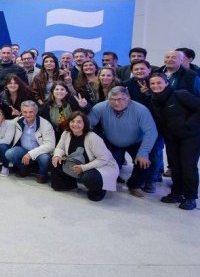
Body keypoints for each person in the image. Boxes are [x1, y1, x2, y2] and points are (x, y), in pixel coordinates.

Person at [86, 87, 158, 198]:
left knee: (145, 162)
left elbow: (151, 132)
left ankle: (134, 185)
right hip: (112, 141)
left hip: (136, 142)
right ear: (108, 99)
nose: (116, 102)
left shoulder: (141, 110)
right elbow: (88, 123)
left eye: (120, 99)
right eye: (112, 99)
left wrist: (143, 152)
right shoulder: (100, 107)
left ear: (128, 98)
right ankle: (109, 180)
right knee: (107, 162)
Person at [148, 73, 200, 210]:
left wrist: (189, 124)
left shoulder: (180, 94)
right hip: (171, 138)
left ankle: (190, 197)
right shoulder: (154, 100)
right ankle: (177, 193)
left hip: (190, 137)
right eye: (152, 84)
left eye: (159, 83)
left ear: (167, 83)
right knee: (175, 167)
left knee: (188, 166)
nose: (155, 86)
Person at [51, 112, 119, 202]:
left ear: (85, 123)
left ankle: (98, 191)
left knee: (88, 177)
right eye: (73, 121)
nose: (75, 124)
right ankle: (69, 184)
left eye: (79, 122)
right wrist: (57, 156)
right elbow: (60, 147)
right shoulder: (66, 133)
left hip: (100, 165)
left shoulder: (93, 138)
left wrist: (83, 168)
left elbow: (103, 159)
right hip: (79, 162)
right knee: (54, 162)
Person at [4, 100, 56, 183]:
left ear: (36, 111)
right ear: (21, 112)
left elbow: (50, 145)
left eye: (31, 112)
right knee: (9, 153)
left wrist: (30, 154)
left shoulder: (45, 124)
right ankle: (24, 169)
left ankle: (43, 174)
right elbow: (5, 123)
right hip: (24, 149)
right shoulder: (18, 120)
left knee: (45, 158)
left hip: (40, 151)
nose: (28, 115)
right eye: (25, 112)